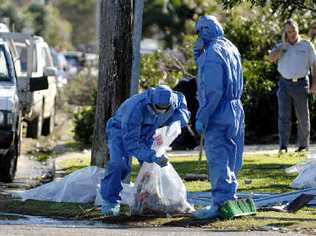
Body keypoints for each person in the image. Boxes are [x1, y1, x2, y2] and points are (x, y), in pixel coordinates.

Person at [100, 85, 190, 216]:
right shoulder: (135, 108)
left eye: (166, 108)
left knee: (152, 169)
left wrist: (178, 122)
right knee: (119, 165)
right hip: (121, 132)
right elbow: (131, 143)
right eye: (158, 108)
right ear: (151, 103)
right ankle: (110, 202)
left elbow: (182, 107)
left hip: (148, 133)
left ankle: (152, 200)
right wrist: (152, 156)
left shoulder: (175, 100)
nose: (162, 111)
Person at [192, 15, 245, 219]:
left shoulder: (212, 53)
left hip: (218, 110)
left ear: (205, 31)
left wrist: (203, 116)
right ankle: (230, 196)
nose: (198, 36)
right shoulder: (231, 48)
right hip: (235, 108)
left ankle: (221, 203)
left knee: (218, 156)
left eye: (199, 32)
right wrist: (200, 59)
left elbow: (213, 90)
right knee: (232, 155)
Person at [269, 19, 316, 153]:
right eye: (288, 32)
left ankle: (303, 146)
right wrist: (282, 48)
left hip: (301, 83)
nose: (292, 34)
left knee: (303, 117)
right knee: (284, 116)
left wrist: (314, 84)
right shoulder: (281, 46)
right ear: (285, 33)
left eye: (293, 30)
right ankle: (283, 147)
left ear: (298, 29)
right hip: (284, 84)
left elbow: (314, 65)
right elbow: (271, 58)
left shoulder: (307, 45)